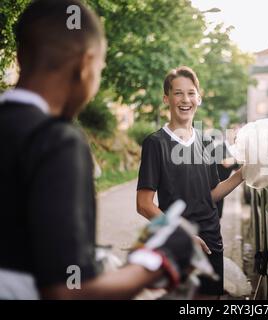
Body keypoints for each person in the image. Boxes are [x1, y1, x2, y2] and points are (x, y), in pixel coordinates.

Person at [0, 0, 195, 299]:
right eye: (100, 67)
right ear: (85, 63)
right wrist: (158, 261)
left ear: (21, 54)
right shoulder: (57, 141)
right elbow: (68, 291)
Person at [136, 66, 244, 298]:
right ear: (167, 98)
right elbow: (144, 204)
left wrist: (241, 175)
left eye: (191, 93)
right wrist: (182, 235)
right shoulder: (156, 143)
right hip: (178, 244)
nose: (185, 99)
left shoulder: (207, 141)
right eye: (178, 93)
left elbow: (211, 193)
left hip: (211, 240)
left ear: (199, 98)